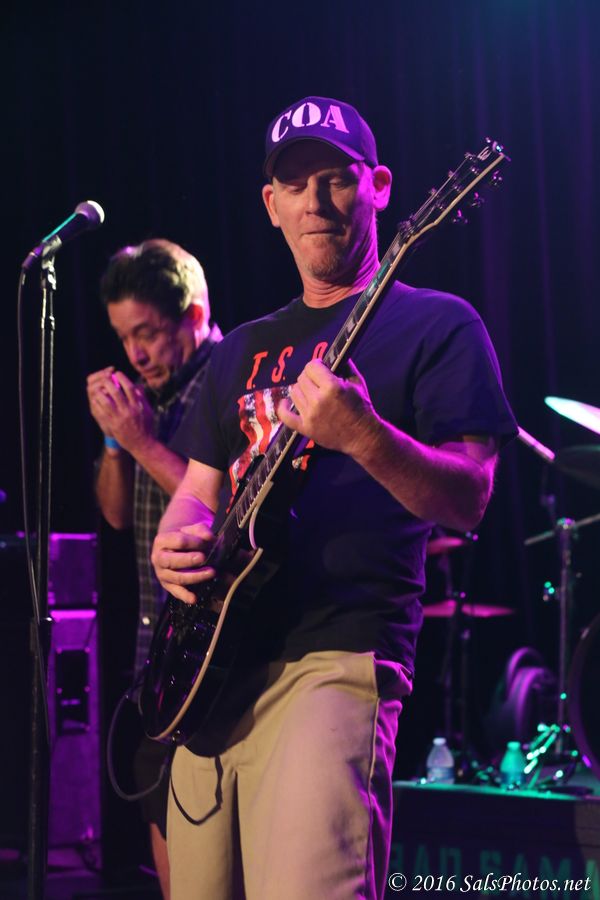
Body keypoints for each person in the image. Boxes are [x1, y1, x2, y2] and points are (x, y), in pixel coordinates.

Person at [151, 96, 517, 900]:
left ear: (378, 186)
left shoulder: (439, 326)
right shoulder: (241, 348)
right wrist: (173, 547)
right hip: (212, 675)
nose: (316, 201)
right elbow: (196, 497)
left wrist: (366, 436)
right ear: (270, 204)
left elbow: (470, 498)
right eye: (296, 184)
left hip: (336, 658)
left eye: (337, 178)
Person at [86, 238, 222, 899]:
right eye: (123, 337)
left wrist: (141, 440)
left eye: (146, 333)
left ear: (193, 315)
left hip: (213, 675)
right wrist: (116, 442)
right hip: (156, 669)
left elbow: (226, 517)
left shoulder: (226, 386)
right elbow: (115, 516)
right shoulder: (151, 397)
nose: (134, 354)